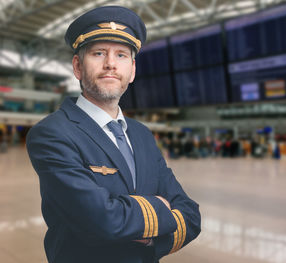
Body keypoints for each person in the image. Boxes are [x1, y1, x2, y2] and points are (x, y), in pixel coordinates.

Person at [26, 6, 200, 263]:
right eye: (98, 53)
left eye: (121, 55)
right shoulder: (52, 133)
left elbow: (191, 215)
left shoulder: (141, 134)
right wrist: (161, 211)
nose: (110, 64)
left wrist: (149, 235)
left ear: (132, 70)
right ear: (77, 66)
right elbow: (100, 219)